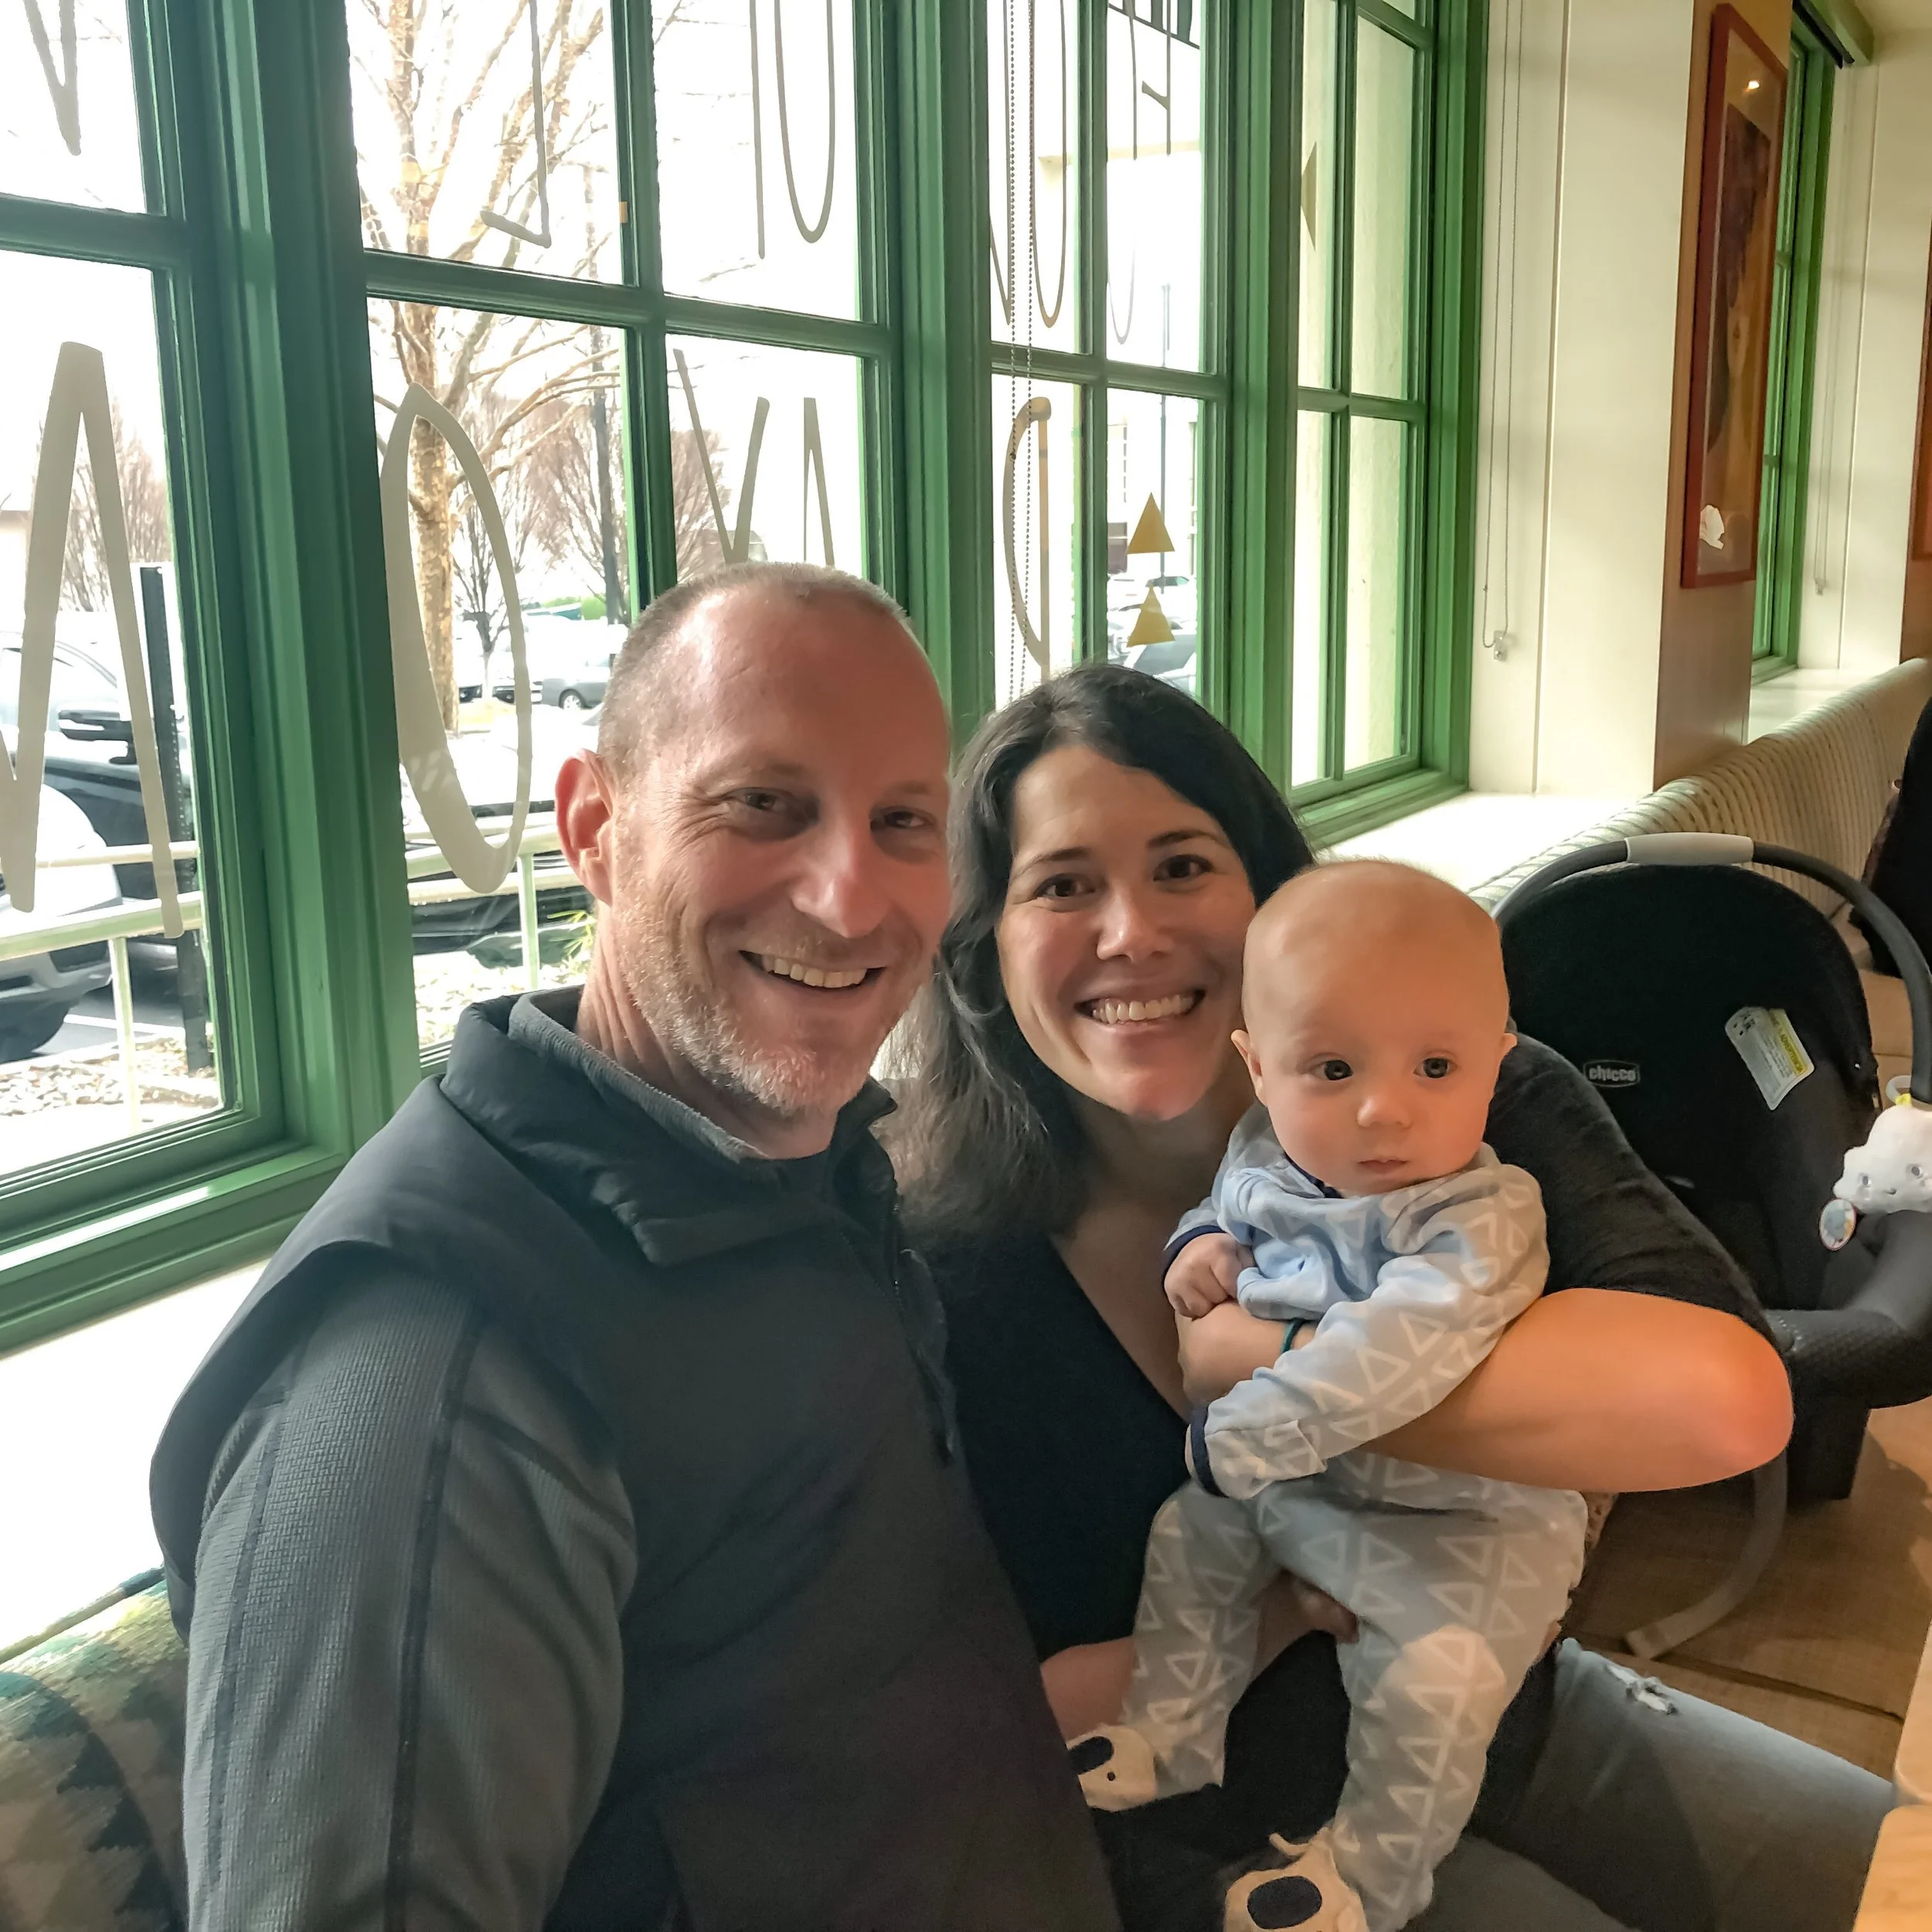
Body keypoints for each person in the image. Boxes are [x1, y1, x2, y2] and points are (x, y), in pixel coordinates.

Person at [149, 564, 1119, 1932]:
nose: (851, 899)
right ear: (594, 826)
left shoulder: (812, 1177)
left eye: (903, 820)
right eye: (762, 807)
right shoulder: (437, 1364)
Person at [896, 661, 1892, 1932]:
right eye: (1063, 885)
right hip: (1214, 1832)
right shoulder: (941, 1263)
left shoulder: (1461, 1088)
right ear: (985, 943)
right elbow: (976, 1719)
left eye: (1185, 865)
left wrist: (1259, 1361)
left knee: (1891, 1872)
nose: (1131, 931)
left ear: (1274, 899)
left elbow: (1726, 1397)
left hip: (1511, 1709)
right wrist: (1288, 1605)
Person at [1073, 862, 1587, 1932]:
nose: (1384, 1108)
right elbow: (1232, 1209)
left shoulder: (1479, 1218)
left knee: (1432, 1697)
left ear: (1499, 1064)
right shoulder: (1267, 1153)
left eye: (1437, 1066)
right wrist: (1199, 1248)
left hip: (1465, 1529)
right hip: (1311, 1498)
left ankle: (1363, 1880)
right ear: (1259, 1068)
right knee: (1190, 1538)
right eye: (1332, 1067)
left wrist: (1247, 1424)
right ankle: (1169, 1736)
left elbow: (1395, 1353)